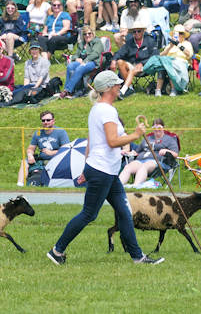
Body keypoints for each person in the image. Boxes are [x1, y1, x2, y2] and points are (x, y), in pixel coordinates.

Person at [47, 70, 163, 266]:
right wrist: (135, 135)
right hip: (102, 171)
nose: (120, 87)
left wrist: (86, 169)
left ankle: (137, 257)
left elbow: (93, 141)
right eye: (117, 84)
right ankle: (57, 250)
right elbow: (111, 141)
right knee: (89, 214)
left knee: (124, 212)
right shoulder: (106, 111)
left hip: (105, 170)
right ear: (109, 88)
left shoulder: (99, 109)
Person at [118, 118, 178, 186]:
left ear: (163, 128)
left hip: (158, 162)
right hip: (140, 160)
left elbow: (175, 154)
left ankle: (135, 186)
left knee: (144, 166)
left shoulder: (169, 139)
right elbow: (137, 151)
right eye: (154, 127)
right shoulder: (148, 138)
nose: (157, 129)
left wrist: (167, 151)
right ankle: (119, 187)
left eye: (159, 127)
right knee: (128, 167)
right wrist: (132, 153)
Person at [16, 111, 70, 186]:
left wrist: (52, 153)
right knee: (24, 162)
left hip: (56, 160)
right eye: (43, 120)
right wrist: (30, 155)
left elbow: (66, 149)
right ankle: (20, 185)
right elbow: (31, 148)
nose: (45, 122)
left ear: (53, 121)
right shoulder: (38, 132)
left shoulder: (61, 132)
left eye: (48, 120)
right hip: (41, 160)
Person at [111, 21, 158, 98]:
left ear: (143, 31)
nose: (136, 33)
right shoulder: (130, 42)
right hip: (133, 64)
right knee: (119, 62)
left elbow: (155, 55)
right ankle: (130, 88)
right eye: (134, 32)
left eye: (138, 31)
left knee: (132, 70)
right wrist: (114, 60)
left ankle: (123, 90)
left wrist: (142, 63)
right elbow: (120, 52)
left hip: (147, 66)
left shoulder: (150, 40)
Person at [150, 24, 193, 96]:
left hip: (181, 63)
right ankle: (158, 90)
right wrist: (170, 46)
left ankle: (173, 90)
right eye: (176, 34)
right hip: (168, 62)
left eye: (181, 34)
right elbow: (160, 55)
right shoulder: (170, 45)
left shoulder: (187, 44)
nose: (179, 35)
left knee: (169, 66)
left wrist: (178, 45)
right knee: (163, 66)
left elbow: (189, 54)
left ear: (183, 35)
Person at [62, 26, 104, 98]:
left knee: (80, 68)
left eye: (89, 33)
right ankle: (67, 89)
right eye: (85, 34)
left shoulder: (97, 42)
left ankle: (68, 91)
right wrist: (76, 59)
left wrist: (85, 61)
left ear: (93, 34)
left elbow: (95, 54)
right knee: (70, 66)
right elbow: (76, 55)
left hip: (93, 62)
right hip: (82, 62)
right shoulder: (82, 43)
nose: (87, 35)